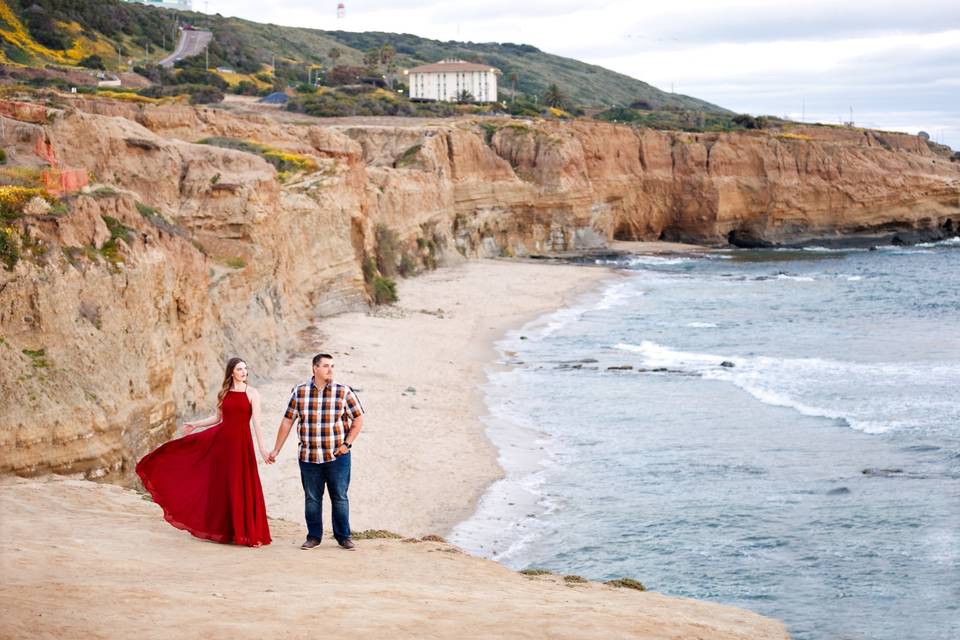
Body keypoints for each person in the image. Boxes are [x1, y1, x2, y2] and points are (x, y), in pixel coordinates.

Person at [136, 357, 272, 547]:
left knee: (242, 484)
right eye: (240, 369)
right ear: (231, 372)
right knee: (222, 485)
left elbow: (256, 422)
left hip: (242, 445)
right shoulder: (224, 393)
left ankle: (247, 533)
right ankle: (228, 532)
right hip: (222, 444)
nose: (244, 372)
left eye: (245, 369)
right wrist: (195, 424)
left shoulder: (252, 393)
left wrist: (263, 449)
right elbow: (217, 419)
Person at [268, 352, 364, 550]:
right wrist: (276, 449)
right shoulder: (299, 392)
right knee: (312, 499)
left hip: (337, 456)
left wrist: (347, 444)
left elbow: (358, 419)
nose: (330, 370)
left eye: (332, 366)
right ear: (315, 368)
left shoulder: (343, 391)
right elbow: (288, 420)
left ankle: (344, 537)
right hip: (309, 456)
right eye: (326, 366)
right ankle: (313, 537)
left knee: (340, 497)